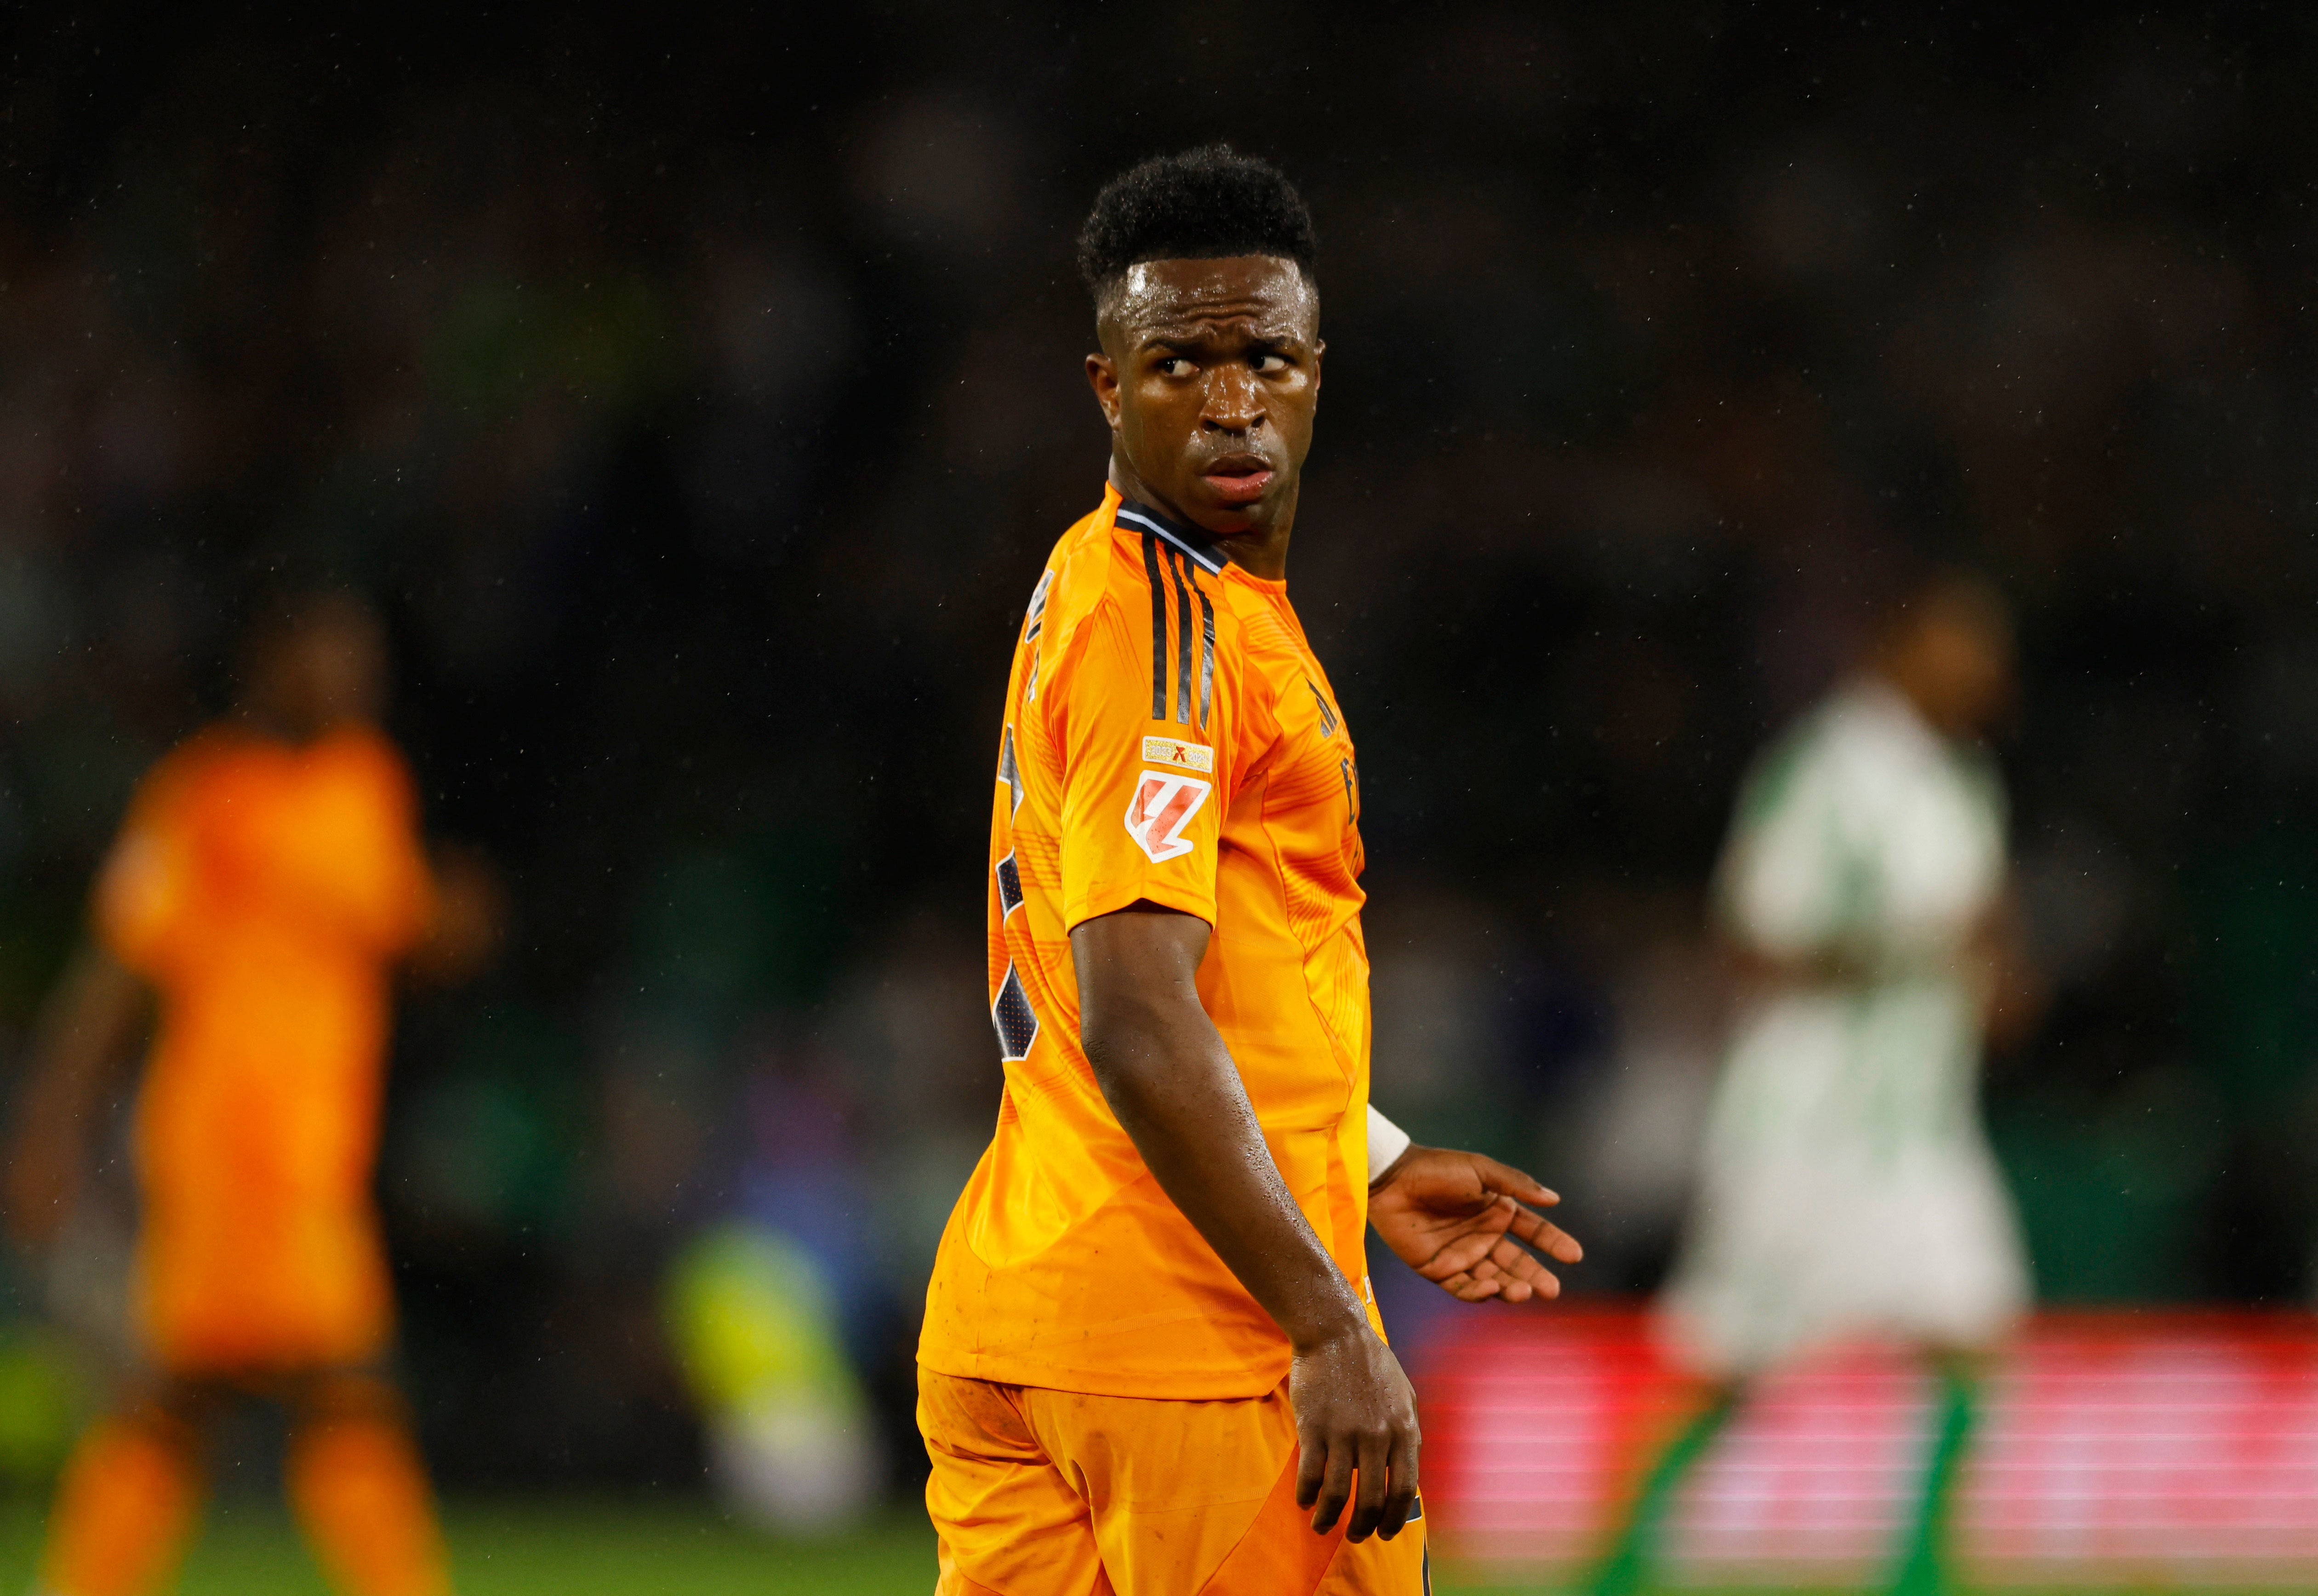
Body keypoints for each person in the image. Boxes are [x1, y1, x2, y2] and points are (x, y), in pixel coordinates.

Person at [915, 145, 1584, 1596]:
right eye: (1178, 365)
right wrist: (1329, 1322)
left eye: (1264, 359)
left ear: (1318, 371)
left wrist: (1371, 1157)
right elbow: (1142, 1015)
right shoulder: (1169, 636)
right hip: (1191, 1349)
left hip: (1032, 1309)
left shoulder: (1112, 582)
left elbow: (1210, 980)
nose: (1231, 403)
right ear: (1106, 386)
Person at [6, 591, 497, 1596]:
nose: (356, 679)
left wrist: (460, 917)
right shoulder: (203, 798)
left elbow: (395, 923)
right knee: (340, 1385)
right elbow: (116, 978)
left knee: (182, 1398)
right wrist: (49, 1121)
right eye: (331, 655)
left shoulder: (367, 785)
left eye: (364, 658)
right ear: (271, 662)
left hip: (317, 1143)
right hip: (230, 1143)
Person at [1592, 573, 2038, 1596]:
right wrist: (1917, 951)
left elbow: (1985, 941)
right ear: (1900, 642)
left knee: (1976, 1332)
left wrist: (2002, 978)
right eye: (1961, 640)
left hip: (1919, 1127)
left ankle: (1919, 1572)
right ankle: (1612, 1568)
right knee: (1730, 1357)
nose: (1982, 667)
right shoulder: (1824, 769)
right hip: (1805, 1124)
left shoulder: (1962, 782)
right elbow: (1753, 941)